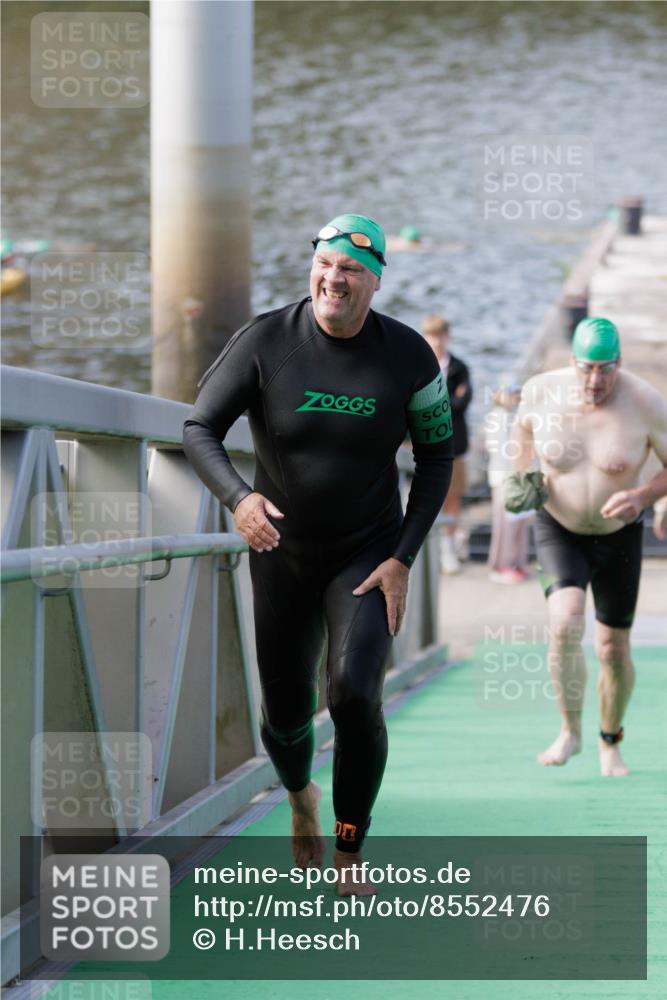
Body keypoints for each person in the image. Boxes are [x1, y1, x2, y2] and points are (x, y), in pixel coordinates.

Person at [182, 213, 453, 892]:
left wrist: (403, 556)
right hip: (282, 550)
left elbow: (436, 459)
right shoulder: (266, 341)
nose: (334, 279)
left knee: (355, 693)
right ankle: (300, 794)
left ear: (376, 280)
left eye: (351, 269)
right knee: (285, 716)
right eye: (325, 265)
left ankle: (349, 849)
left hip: (368, 552)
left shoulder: (409, 356)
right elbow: (198, 427)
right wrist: (240, 499)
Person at [512, 317, 667, 776]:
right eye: (586, 369)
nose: (595, 381)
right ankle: (570, 731)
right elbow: (520, 432)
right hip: (558, 526)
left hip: (619, 533)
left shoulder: (644, 402)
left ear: (620, 363)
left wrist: (644, 497)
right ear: (572, 362)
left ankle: (609, 740)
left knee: (612, 649)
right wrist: (522, 473)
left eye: (605, 369)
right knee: (565, 621)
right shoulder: (542, 391)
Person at [421, 314, 472, 573]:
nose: (436, 341)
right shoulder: (419, 364)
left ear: (447, 336)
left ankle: (449, 545)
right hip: (424, 442)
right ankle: (430, 545)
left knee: (453, 495)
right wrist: (447, 400)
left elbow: (462, 403)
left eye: (440, 335)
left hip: (455, 443)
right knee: (428, 495)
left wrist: (434, 402)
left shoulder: (459, 367)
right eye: (431, 336)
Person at [485, 379, 531, 583]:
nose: (513, 397)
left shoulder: (515, 415)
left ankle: (516, 563)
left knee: (518, 523)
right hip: (505, 477)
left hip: (518, 476)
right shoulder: (498, 417)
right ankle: (502, 565)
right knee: (505, 525)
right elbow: (501, 450)